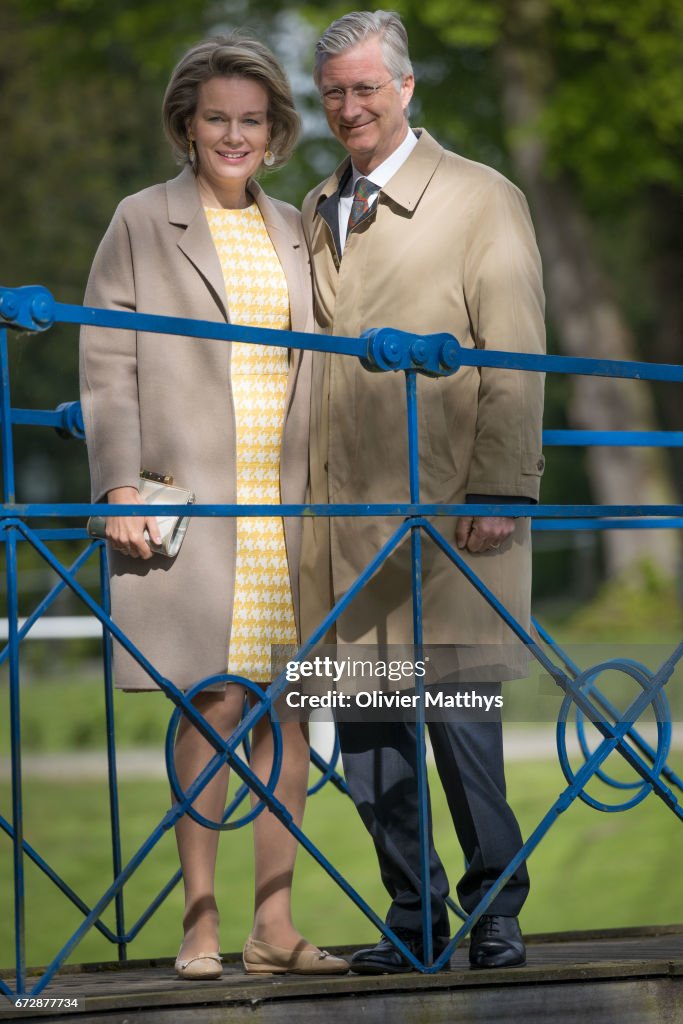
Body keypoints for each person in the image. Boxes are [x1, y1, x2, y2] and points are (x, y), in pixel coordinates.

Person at [79, 34, 348, 980]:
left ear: (274, 133)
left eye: (252, 120)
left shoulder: (295, 227)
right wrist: (116, 484)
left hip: (289, 507)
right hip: (196, 505)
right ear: (186, 126)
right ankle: (198, 925)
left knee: (283, 710)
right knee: (211, 703)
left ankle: (274, 931)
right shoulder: (140, 221)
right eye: (216, 119)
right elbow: (108, 358)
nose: (234, 134)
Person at [300, 11, 546, 973]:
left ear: (406, 89)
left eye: (366, 88)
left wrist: (502, 488)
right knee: (366, 742)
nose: (349, 107)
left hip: (450, 510)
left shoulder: (483, 198)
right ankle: (415, 916)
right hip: (341, 515)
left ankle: (495, 909)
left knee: (459, 724)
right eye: (333, 93)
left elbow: (516, 351)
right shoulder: (320, 203)